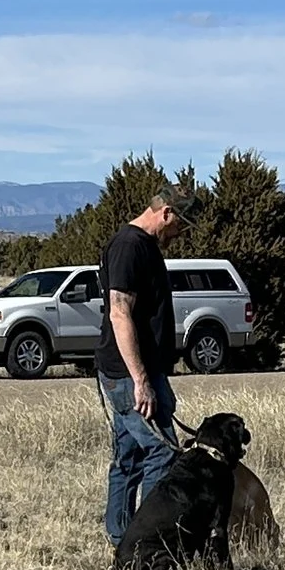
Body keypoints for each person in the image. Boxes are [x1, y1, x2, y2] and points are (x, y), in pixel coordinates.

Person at [97, 181, 201, 543]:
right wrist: (140, 379)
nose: (181, 232)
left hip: (140, 371)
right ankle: (147, 541)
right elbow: (119, 313)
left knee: (128, 458)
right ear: (165, 212)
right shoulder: (129, 246)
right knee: (161, 453)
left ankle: (121, 538)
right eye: (181, 224)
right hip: (130, 375)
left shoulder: (146, 246)